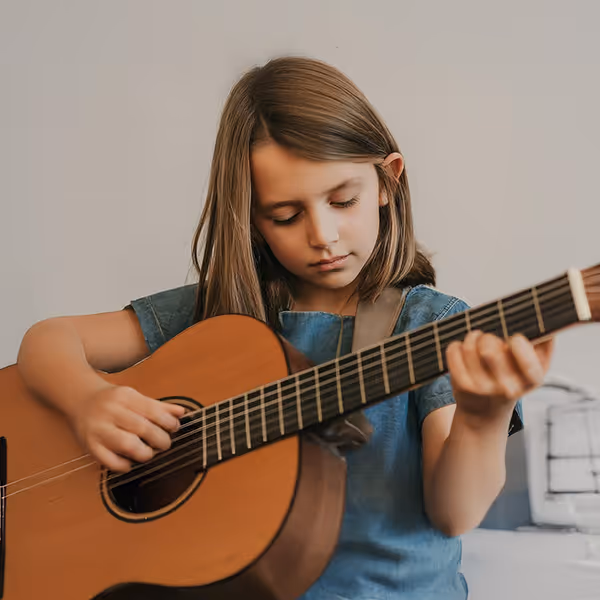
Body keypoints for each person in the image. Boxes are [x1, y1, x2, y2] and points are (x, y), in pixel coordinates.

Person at [16, 56, 554, 599]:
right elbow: (49, 340)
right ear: (250, 216)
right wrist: (86, 401)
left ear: (388, 181)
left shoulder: (430, 325)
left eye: (343, 200)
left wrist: (483, 420)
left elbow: (454, 513)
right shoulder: (219, 319)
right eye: (285, 216)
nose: (323, 234)